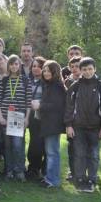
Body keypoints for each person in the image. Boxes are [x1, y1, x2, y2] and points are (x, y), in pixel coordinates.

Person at [64, 57, 101, 193]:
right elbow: (69, 107)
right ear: (80, 70)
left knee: (94, 154)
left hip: (95, 128)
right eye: (84, 69)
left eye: (90, 69)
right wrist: (68, 125)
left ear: (95, 69)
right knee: (79, 154)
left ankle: (91, 179)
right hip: (78, 127)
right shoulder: (75, 86)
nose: (87, 72)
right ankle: (79, 179)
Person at [0, 54, 32, 182]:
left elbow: (28, 101)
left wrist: (27, 118)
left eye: (16, 64)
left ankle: (20, 170)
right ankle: (9, 170)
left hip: (19, 117)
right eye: (12, 64)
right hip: (6, 117)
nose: (14, 66)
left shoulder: (25, 80)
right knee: (8, 145)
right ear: (8, 66)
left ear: (19, 65)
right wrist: (0, 117)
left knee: (18, 145)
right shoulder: (4, 80)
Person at [32, 60, 66, 188]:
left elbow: (57, 105)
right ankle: (49, 177)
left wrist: (40, 105)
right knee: (50, 151)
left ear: (55, 71)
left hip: (53, 124)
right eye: (44, 70)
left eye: (48, 70)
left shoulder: (57, 86)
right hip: (48, 123)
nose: (45, 73)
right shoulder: (48, 85)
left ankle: (53, 180)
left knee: (52, 152)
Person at [26, 56, 46, 180]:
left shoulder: (46, 82)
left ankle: (39, 168)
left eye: (39, 66)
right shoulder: (28, 81)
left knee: (40, 144)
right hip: (31, 116)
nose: (36, 68)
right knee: (34, 142)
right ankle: (32, 168)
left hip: (43, 117)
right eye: (34, 66)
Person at [64, 56, 81, 181]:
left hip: (85, 120)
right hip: (71, 120)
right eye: (72, 67)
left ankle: (82, 172)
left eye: (77, 66)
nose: (75, 69)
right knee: (72, 147)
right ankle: (72, 171)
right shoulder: (67, 82)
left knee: (84, 148)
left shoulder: (86, 81)